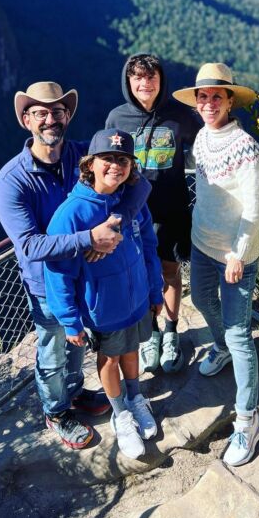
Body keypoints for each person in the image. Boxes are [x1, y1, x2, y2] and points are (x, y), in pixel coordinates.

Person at [0, 82, 151, 450]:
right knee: (53, 350)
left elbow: (138, 184)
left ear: (67, 116)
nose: (51, 119)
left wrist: (117, 222)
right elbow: (31, 245)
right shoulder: (11, 181)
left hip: (90, 280)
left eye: (58, 112)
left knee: (79, 345)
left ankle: (76, 393)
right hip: (45, 285)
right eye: (41, 113)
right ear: (26, 120)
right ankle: (57, 412)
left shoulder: (83, 154)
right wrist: (88, 240)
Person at [44, 129, 164, 459]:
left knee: (131, 350)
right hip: (103, 309)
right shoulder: (72, 214)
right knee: (110, 358)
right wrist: (70, 321)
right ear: (90, 165)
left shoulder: (131, 202)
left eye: (123, 159)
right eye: (107, 159)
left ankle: (136, 398)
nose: (116, 165)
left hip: (137, 298)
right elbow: (58, 273)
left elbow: (150, 247)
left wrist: (155, 290)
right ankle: (120, 413)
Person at [173, 63, 259, 467]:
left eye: (217, 95)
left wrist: (239, 252)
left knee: (239, 333)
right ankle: (222, 348)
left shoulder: (247, 147)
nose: (209, 102)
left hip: (234, 256)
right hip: (201, 244)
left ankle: (249, 419)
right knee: (206, 305)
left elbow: (255, 206)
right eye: (203, 96)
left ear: (230, 101)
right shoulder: (200, 138)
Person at [106, 54, 201, 374]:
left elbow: (205, 143)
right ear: (128, 82)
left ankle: (171, 332)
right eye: (138, 78)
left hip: (173, 210)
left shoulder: (180, 116)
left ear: (161, 81)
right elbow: (106, 165)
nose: (144, 84)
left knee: (171, 273)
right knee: (143, 275)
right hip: (133, 214)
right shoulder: (117, 119)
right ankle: (152, 335)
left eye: (151, 78)